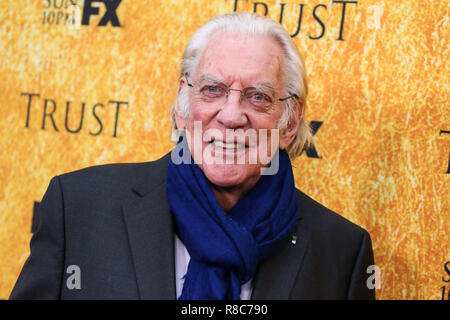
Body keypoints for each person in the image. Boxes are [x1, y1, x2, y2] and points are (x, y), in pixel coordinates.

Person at [10, 12, 375, 300]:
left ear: (290, 122)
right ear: (183, 106)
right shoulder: (78, 208)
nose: (231, 116)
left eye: (258, 97)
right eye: (213, 90)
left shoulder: (340, 251)